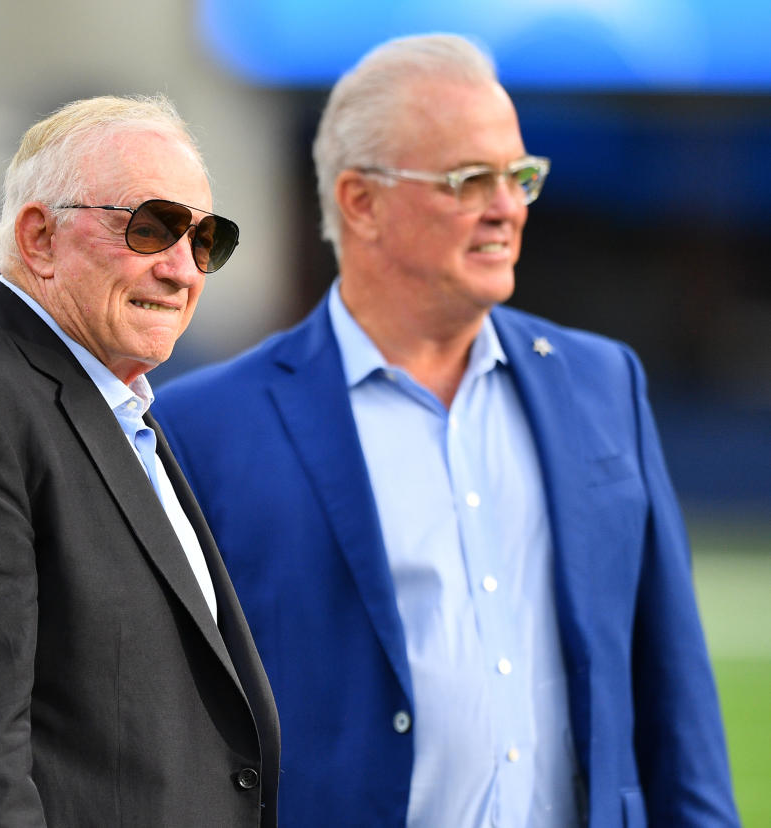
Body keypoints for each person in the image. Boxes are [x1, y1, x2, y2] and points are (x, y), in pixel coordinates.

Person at [154, 33, 739, 828]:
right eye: (471, 180)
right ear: (360, 201)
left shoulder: (604, 385)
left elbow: (676, 701)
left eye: (520, 177)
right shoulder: (205, 428)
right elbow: (163, 736)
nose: (507, 207)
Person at [0, 94, 279, 827]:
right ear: (39, 238)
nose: (183, 269)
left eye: (206, 240)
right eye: (152, 227)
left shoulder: (121, 415)